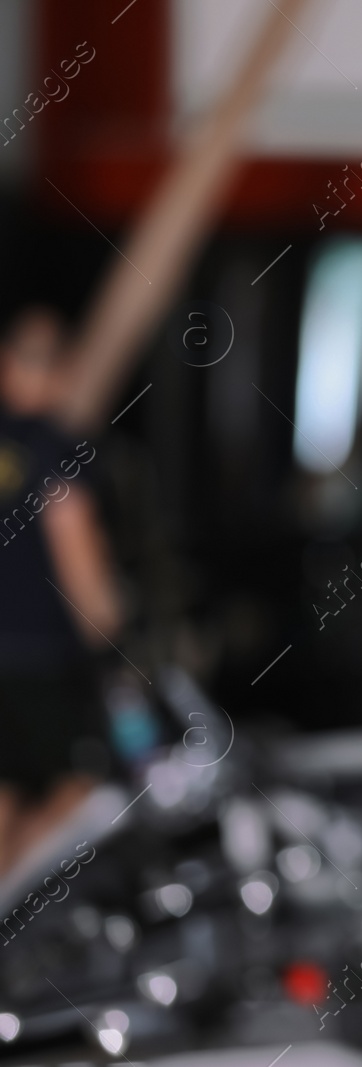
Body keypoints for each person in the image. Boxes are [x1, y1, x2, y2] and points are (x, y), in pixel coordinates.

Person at [0, 309, 121, 876]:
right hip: (43, 660)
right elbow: (77, 547)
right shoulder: (56, 445)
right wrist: (113, 639)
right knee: (85, 789)